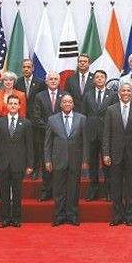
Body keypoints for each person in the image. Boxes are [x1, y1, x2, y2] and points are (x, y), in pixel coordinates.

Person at [103, 83, 132, 227]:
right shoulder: (111, 109)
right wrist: (106, 153)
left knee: (131, 186)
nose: (126, 93)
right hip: (115, 154)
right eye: (123, 90)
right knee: (115, 186)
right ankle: (117, 216)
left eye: (128, 90)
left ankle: (130, 216)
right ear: (119, 93)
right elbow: (106, 134)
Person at [0, 94, 34, 228]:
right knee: (3, 193)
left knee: (17, 193)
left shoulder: (26, 123)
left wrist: (30, 165)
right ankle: (4, 219)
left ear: (19, 106)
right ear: (7, 105)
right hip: (2, 163)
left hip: (18, 164)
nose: (13, 106)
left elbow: (29, 146)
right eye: (11, 103)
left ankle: (16, 218)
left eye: (15, 103)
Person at [45, 94, 86, 226]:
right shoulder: (52, 120)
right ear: (61, 104)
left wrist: (85, 160)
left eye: (70, 102)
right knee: (59, 190)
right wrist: (47, 160)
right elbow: (48, 142)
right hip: (58, 160)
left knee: (73, 189)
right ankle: (59, 216)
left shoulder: (82, 118)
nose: (67, 104)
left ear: (73, 104)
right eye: (64, 102)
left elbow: (85, 141)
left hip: (76, 159)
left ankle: (72, 215)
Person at [0, 71, 27, 202]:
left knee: (13, 161)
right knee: (0, 162)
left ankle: (12, 192)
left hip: (14, 130)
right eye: (5, 80)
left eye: (10, 80)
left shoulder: (21, 95)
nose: (8, 82)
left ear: (14, 82)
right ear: (2, 82)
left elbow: (23, 115)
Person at [80, 70, 118, 201]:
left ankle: (109, 192)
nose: (100, 79)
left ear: (106, 79)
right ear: (94, 80)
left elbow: (115, 115)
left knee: (108, 165)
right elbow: (83, 114)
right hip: (91, 134)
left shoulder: (112, 95)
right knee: (93, 166)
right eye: (97, 77)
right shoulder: (88, 95)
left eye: (102, 77)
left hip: (106, 134)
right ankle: (93, 192)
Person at [31, 71, 64, 201]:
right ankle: (46, 191)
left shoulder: (65, 95)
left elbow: (68, 115)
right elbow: (36, 116)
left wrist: (58, 130)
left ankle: (59, 192)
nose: (53, 81)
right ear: (46, 81)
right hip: (43, 136)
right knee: (46, 166)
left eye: (55, 79)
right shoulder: (39, 96)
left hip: (61, 138)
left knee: (60, 166)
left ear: (59, 81)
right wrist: (50, 129)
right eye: (51, 79)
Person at [16, 58, 45, 178]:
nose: (26, 69)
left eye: (28, 67)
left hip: (35, 120)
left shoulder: (40, 82)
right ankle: (24, 168)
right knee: (23, 144)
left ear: (33, 68)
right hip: (22, 119)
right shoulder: (18, 82)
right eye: (24, 67)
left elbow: (42, 102)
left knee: (35, 145)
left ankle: (35, 169)